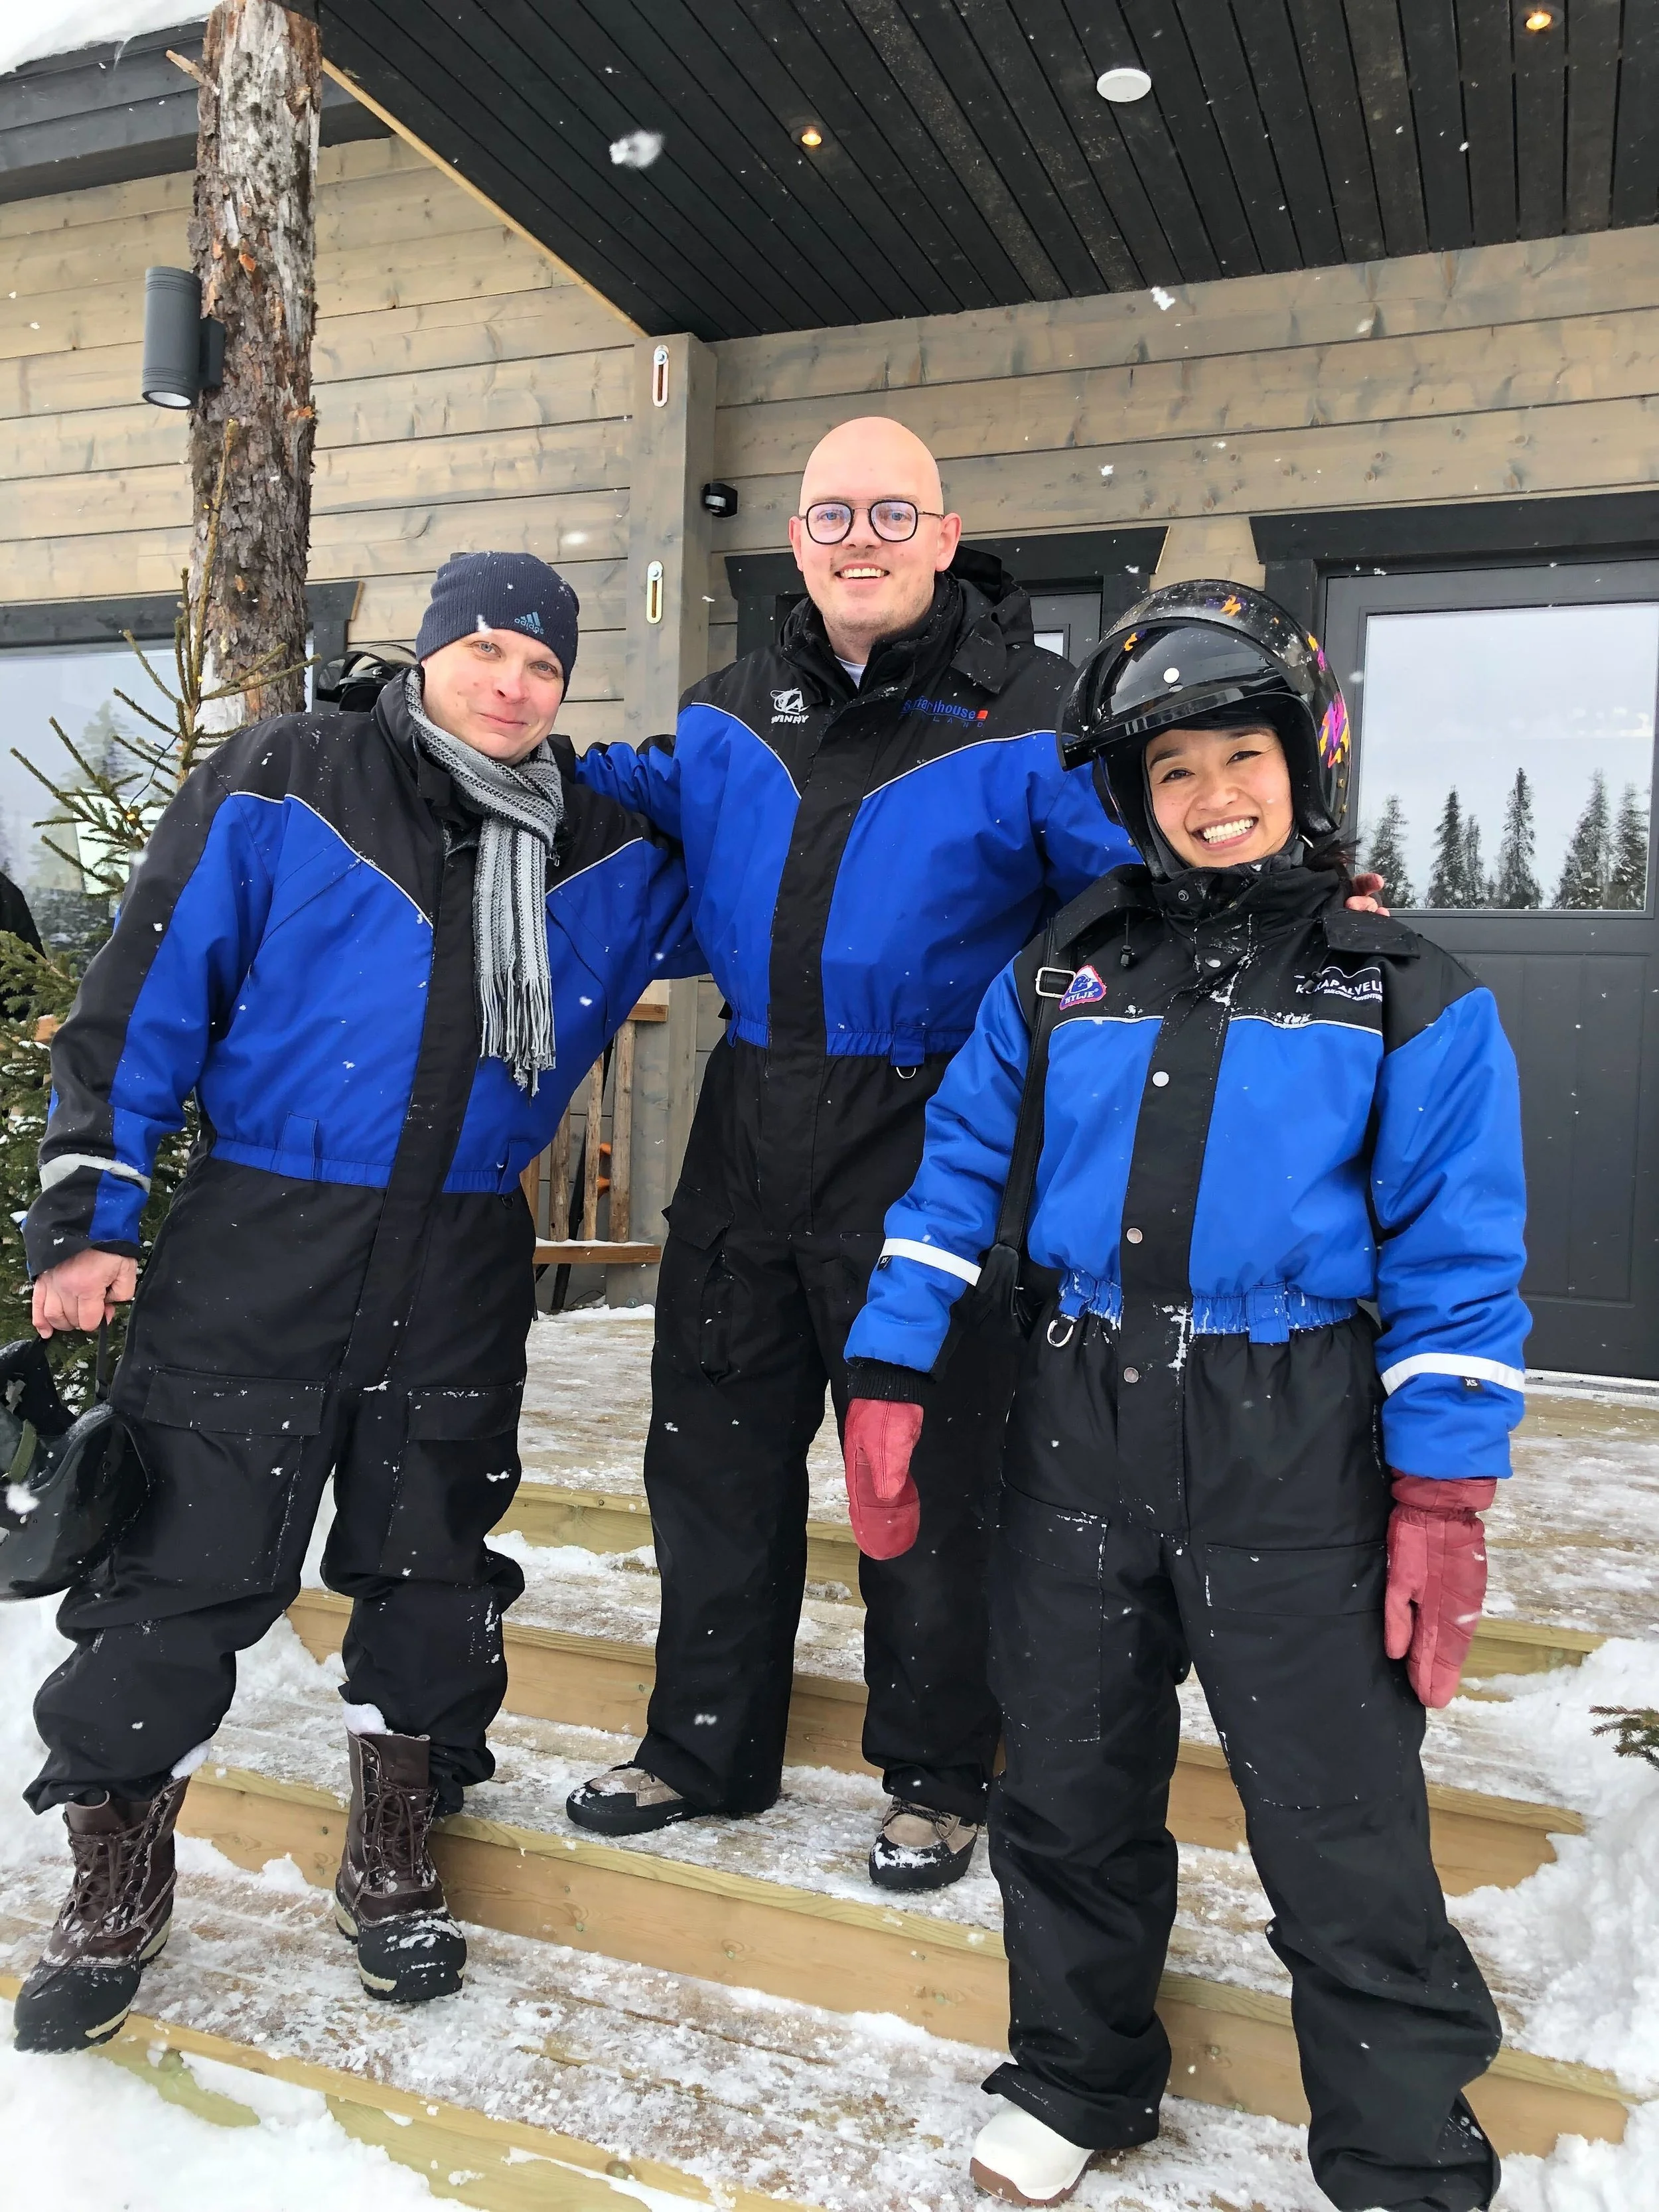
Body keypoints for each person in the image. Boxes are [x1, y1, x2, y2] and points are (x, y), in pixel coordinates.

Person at [841, 580, 1526, 2211]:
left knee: (1333, 1814)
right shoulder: (1068, 966)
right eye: (1171, 775)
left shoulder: (1401, 988)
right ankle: (1078, 2076)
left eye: (1241, 757)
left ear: (1303, 760)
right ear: (1132, 803)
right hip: (1076, 1410)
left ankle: (1401, 2143)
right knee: (1067, 1784)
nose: (1212, 797)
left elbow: (1456, 1266)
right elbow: (950, 1184)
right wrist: (887, 1366)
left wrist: (1440, 1491)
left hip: (1289, 1431)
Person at [13, 551, 697, 2053]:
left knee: (432, 1557)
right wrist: (89, 1214)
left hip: (458, 1250)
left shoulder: (604, 841)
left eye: (542, 664)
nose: (512, 684)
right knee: (181, 1560)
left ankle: (397, 1844)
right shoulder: (290, 774)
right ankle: (116, 1878)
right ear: (431, 649)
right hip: (265, 1228)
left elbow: (795, 906)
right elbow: (142, 996)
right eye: (487, 650)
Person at [561, 417, 1137, 1888]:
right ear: (796, 545)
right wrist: (434, 739)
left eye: (893, 512)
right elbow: (584, 799)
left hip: (930, 1134)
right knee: (710, 1455)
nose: (860, 539)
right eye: (831, 516)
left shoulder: (1032, 716)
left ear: (944, 536)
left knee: (927, 1474)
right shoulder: (723, 715)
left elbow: (1132, 897)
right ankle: (701, 1744)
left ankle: (939, 1771)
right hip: (746, 1124)